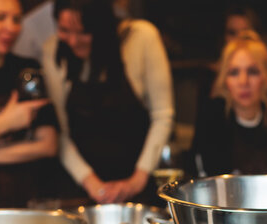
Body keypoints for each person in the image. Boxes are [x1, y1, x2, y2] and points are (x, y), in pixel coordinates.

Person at [42, 0, 174, 205]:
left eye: (84, 32)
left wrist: (137, 180)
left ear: (102, 26)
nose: (74, 41)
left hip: (140, 184)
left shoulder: (141, 38)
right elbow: (60, 131)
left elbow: (163, 115)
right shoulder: (53, 51)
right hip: (80, 189)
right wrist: (91, 182)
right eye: (64, 30)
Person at [189, 30, 267, 177]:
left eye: (253, 71)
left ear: (266, 76)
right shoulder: (212, 116)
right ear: (225, 79)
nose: (243, 82)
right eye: (234, 72)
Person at [0, 0, 59, 208]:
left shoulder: (27, 71)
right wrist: (5, 123)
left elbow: (48, 145)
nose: (10, 27)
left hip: (27, 204)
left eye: (17, 19)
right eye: (0, 17)